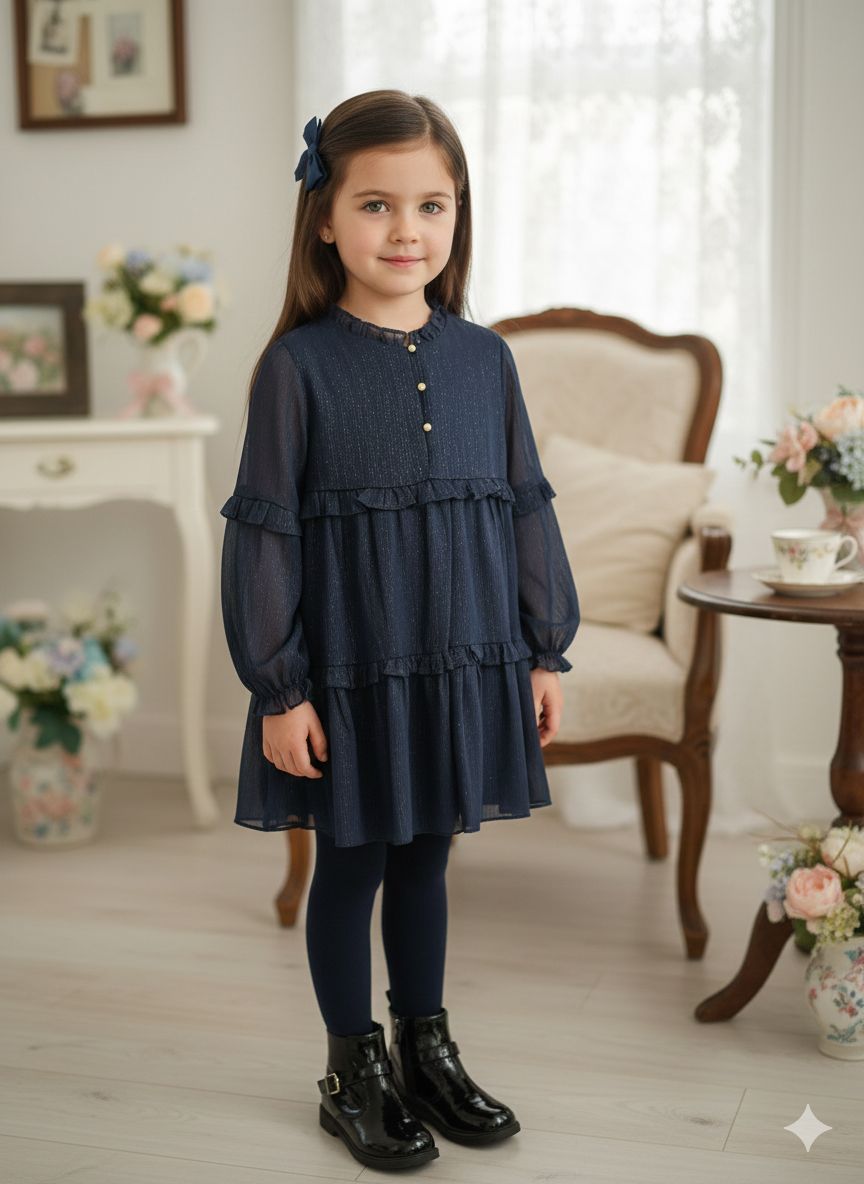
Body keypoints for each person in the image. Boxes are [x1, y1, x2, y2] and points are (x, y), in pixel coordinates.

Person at [219, 89, 580, 1172]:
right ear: (325, 218)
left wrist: (542, 649)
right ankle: (352, 1072)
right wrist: (280, 687)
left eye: (433, 205)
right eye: (376, 205)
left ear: (459, 214)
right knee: (353, 865)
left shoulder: (486, 358)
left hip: (463, 657)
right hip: (351, 669)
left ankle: (428, 1049)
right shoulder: (297, 369)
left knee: (427, 863)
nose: (407, 230)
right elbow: (266, 533)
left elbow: (523, 506)